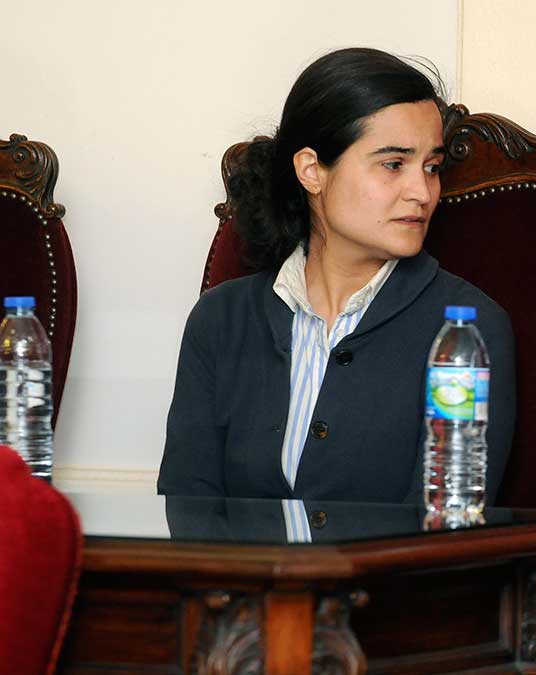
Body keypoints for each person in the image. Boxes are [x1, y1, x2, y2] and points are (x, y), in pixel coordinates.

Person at [157, 48, 515, 505]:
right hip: (234, 579)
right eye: (393, 164)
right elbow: (187, 507)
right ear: (312, 171)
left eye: (432, 167)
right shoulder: (220, 319)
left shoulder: (468, 331)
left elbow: (447, 528)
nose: (422, 192)